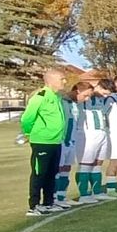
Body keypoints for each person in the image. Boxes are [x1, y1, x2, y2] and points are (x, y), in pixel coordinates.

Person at [19, 66, 69, 216]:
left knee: (52, 172)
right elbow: (27, 118)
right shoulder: (40, 96)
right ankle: (33, 206)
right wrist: (28, 133)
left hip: (55, 141)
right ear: (51, 80)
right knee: (39, 173)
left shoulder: (57, 97)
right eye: (62, 79)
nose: (64, 82)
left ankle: (48, 203)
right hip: (42, 141)